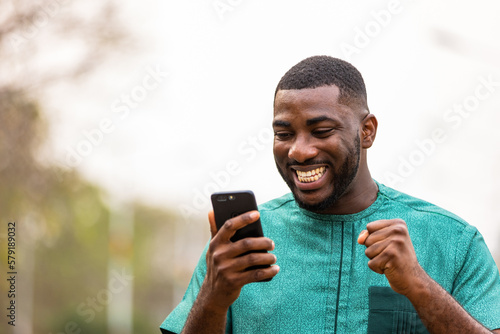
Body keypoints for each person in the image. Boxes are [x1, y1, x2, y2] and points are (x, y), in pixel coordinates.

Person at [160, 56, 500, 333]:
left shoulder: (456, 242)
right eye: (284, 133)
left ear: (366, 131)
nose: (299, 151)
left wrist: (420, 287)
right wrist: (214, 298)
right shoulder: (238, 247)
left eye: (321, 131)